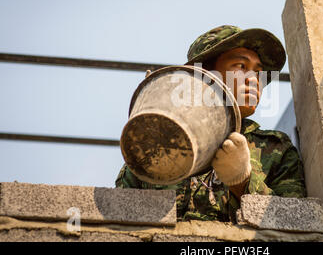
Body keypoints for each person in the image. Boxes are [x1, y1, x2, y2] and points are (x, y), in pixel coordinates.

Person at [115, 25, 306, 222]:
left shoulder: (275, 149)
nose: (255, 80)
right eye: (241, 67)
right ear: (205, 75)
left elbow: (297, 222)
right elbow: (120, 215)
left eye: (258, 72)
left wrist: (244, 182)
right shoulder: (157, 142)